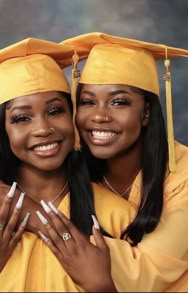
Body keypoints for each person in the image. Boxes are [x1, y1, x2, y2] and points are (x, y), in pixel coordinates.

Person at [0, 36, 136, 292]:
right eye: (22, 118)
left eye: (55, 111)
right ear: (4, 131)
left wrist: (103, 287)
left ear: (73, 117)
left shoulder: (119, 217)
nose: (43, 129)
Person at [57, 32, 188, 292]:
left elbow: (143, 275)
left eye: (118, 102)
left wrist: (39, 220)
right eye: (87, 102)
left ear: (147, 113)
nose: (99, 116)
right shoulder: (70, 165)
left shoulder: (183, 176)